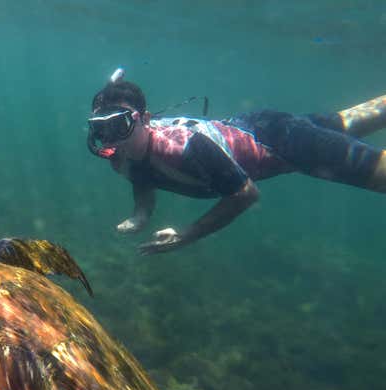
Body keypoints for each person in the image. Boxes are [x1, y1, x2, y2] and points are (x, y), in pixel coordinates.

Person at [87, 68, 386, 255]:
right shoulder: (119, 158)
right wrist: (141, 214)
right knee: (355, 119)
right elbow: (142, 177)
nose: (111, 139)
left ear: (146, 120)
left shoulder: (184, 148)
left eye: (120, 126)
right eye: (101, 129)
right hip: (251, 126)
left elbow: (245, 194)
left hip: (280, 139)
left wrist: (187, 235)